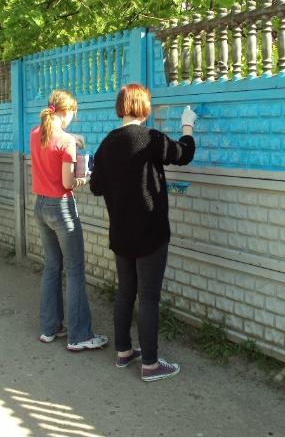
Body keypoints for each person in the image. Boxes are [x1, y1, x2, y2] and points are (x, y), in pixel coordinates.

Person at [89, 83, 197, 381]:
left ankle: (124, 351)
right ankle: (150, 364)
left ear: (121, 107)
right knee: (148, 298)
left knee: (126, 292)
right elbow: (184, 154)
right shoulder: (150, 138)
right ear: (144, 107)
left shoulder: (107, 144)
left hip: (121, 234)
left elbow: (96, 187)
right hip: (151, 233)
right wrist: (187, 125)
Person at [30, 89, 108, 351]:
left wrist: (72, 138)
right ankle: (80, 335)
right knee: (74, 270)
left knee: (52, 267)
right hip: (62, 208)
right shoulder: (66, 142)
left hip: (40, 205)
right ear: (67, 112)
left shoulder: (36, 134)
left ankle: (50, 328)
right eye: (74, 112)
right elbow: (67, 182)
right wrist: (84, 178)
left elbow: (51, 139)